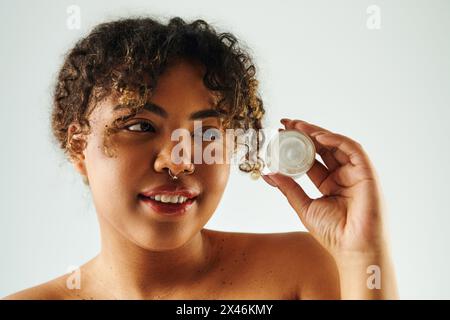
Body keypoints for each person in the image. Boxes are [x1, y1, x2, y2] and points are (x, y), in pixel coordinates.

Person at [3, 16, 397, 300]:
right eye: (140, 126)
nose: (178, 162)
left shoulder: (301, 271)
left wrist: (363, 253)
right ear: (78, 147)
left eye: (207, 133)